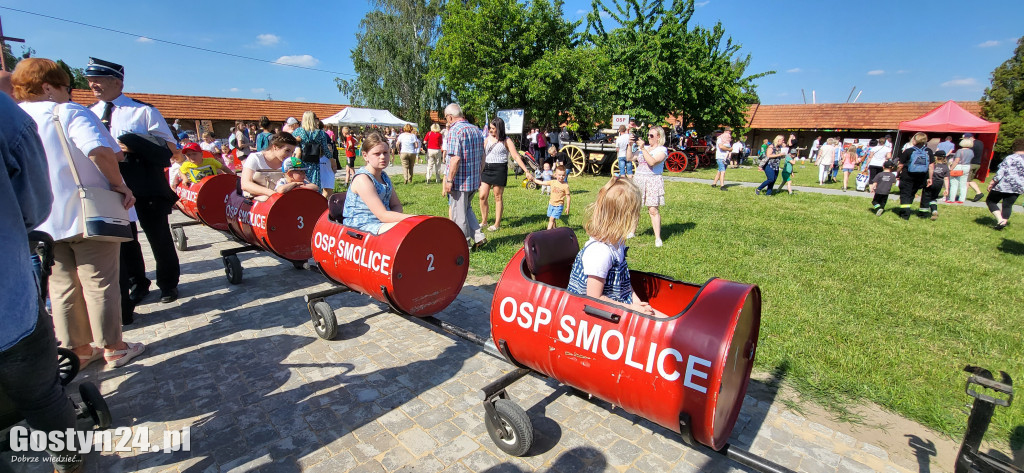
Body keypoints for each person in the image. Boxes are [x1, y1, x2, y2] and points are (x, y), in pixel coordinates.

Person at [14, 58, 146, 367]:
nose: (69, 93)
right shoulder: (67, 112)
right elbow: (100, 150)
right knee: (99, 282)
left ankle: (78, 349)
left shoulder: (14, 117)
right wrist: (119, 185)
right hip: (86, 213)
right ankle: (114, 346)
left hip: (42, 219)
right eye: (66, 87)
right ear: (49, 87)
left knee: (61, 286)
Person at [1, 87, 87, 473]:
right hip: (8, 306)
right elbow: (34, 207)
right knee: (41, 396)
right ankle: (66, 460)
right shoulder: (7, 116)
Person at [84, 57, 180, 309]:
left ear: (117, 82)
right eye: (90, 80)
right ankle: (137, 283)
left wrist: (134, 146)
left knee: (158, 236)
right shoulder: (88, 113)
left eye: (98, 80)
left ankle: (168, 284)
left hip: (145, 183)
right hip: (109, 185)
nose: (92, 85)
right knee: (125, 240)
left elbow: (170, 147)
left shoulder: (143, 111)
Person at [566, 177, 666, 317]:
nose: (638, 217)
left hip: (617, 308)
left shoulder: (617, 243)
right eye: (635, 213)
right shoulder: (600, 253)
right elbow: (594, 299)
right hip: (596, 315)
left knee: (668, 321)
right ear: (625, 217)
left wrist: (636, 302)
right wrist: (631, 308)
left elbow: (624, 283)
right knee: (665, 325)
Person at [343, 131, 413, 234]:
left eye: (385, 152)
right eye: (377, 154)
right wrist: (415, 219)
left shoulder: (384, 176)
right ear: (365, 155)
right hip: (360, 228)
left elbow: (396, 205)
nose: (382, 157)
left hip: (381, 223)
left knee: (411, 229)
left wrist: (396, 219)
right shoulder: (362, 179)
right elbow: (382, 215)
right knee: (406, 229)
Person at [442, 103, 487, 248]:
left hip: (460, 181)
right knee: (466, 208)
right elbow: (483, 156)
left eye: (446, 118)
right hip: (473, 179)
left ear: (450, 117)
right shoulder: (476, 130)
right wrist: (479, 174)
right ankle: (479, 237)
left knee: (459, 214)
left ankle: (463, 244)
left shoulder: (455, 131)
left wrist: (449, 180)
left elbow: (455, 159)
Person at [479, 117, 531, 231]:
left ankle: (497, 224)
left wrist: (526, 171)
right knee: (482, 195)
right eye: (490, 128)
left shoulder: (507, 140)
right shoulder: (487, 139)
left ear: (499, 128)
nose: (490, 130)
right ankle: (484, 221)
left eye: (493, 128)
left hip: (499, 169)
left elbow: (516, 156)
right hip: (486, 169)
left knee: (498, 196)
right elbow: (481, 155)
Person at [628, 126, 668, 247]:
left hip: (652, 180)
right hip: (639, 179)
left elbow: (652, 162)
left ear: (658, 137)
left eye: (651, 135)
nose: (649, 137)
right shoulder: (644, 148)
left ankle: (658, 238)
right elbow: (630, 158)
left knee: (653, 209)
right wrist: (629, 145)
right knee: (635, 207)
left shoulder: (662, 150)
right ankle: (631, 232)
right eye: (648, 135)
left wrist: (642, 149)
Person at [240, 132, 300, 199]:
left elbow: (302, 181)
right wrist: (273, 194)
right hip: (257, 200)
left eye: (292, 152)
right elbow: (245, 184)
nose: (290, 155)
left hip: (282, 200)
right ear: (275, 147)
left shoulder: (289, 162)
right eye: (287, 150)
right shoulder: (255, 158)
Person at [985, 137, 1024, 230]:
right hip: (1018, 187)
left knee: (991, 201)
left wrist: (992, 182)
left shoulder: (1010, 158)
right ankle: (1004, 222)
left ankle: (1000, 220)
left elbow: (1001, 172)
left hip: (1004, 185)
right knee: (1007, 205)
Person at [292, 111, 333, 196]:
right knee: (314, 186)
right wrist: (332, 158)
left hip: (301, 162)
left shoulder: (298, 131)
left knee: (301, 183)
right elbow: (325, 149)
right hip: (314, 163)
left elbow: (291, 144)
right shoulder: (320, 133)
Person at [896, 132, 934, 220]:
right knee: (912, 193)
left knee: (905, 194)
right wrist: (930, 178)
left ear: (915, 140)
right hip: (922, 176)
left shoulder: (909, 151)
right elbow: (931, 166)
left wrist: (897, 173)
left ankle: (905, 214)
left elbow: (900, 165)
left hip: (907, 175)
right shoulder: (929, 151)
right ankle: (915, 211)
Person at [534, 164, 570, 230]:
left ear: (565, 175)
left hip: (558, 206)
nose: (561, 177)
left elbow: (568, 197)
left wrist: (568, 207)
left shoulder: (565, 186)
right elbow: (542, 183)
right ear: (555, 175)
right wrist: (533, 179)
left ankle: (547, 233)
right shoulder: (552, 182)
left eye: (563, 175)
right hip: (551, 204)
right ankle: (554, 230)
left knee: (551, 219)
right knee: (552, 219)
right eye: (559, 175)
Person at [921, 151, 950, 221]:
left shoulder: (932, 165)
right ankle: (934, 210)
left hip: (930, 182)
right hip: (939, 184)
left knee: (926, 197)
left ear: (936, 157)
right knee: (933, 197)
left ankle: (923, 214)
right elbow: (946, 178)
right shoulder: (945, 167)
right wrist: (947, 189)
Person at [948, 137, 974, 203]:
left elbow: (956, 161)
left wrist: (951, 168)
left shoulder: (959, 151)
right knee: (963, 183)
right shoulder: (971, 151)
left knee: (954, 183)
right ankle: (962, 199)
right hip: (967, 166)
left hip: (958, 166)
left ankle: (952, 199)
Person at [965, 133, 986, 202]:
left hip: (971, 163)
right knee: (970, 180)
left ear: (970, 137)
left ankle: (963, 196)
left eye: (966, 138)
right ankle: (979, 193)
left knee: (966, 180)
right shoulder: (980, 143)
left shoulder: (971, 144)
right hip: (978, 163)